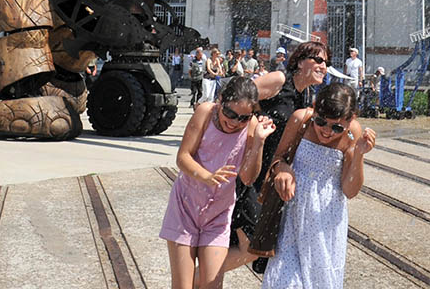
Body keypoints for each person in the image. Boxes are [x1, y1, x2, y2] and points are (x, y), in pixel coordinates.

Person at [160, 77, 276, 289]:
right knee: (182, 285)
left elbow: (248, 178)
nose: (234, 122)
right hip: (185, 208)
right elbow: (183, 157)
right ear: (220, 100)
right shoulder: (206, 112)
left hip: (218, 215)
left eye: (242, 118)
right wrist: (207, 176)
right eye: (230, 113)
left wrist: (259, 141)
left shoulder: (250, 126)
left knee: (212, 284)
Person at [227, 40, 330, 275]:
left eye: (326, 62)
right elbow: (237, 98)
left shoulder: (304, 97)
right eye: (318, 59)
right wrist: (254, 122)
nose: (324, 66)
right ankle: (196, 278)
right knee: (253, 246)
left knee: (246, 245)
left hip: (265, 180)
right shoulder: (280, 80)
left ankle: (202, 278)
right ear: (299, 61)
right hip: (247, 174)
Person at [261, 84, 376, 289]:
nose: (327, 131)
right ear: (314, 108)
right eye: (321, 121)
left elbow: (350, 190)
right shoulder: (300, 119)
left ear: (351, 119)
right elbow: (277, 158)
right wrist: (283, 169)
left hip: (326, 222)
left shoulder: (353, 133)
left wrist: (358, 154)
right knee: (283, 282)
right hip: (293, 219)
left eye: (337, 127)